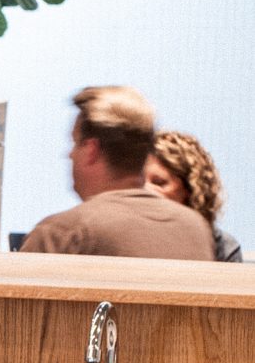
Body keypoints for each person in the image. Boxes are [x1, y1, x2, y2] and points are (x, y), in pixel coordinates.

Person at [21, 87, 216, 261]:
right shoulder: (196, 229)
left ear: (91, 150)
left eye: (74, 143)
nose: (70, 154)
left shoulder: (61, 235)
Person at [145, 128, 244, 263]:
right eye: (139, 182)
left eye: (159, 183)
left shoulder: (222, 248)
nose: (145, 190)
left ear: (190, 190)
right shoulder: (123, 235)